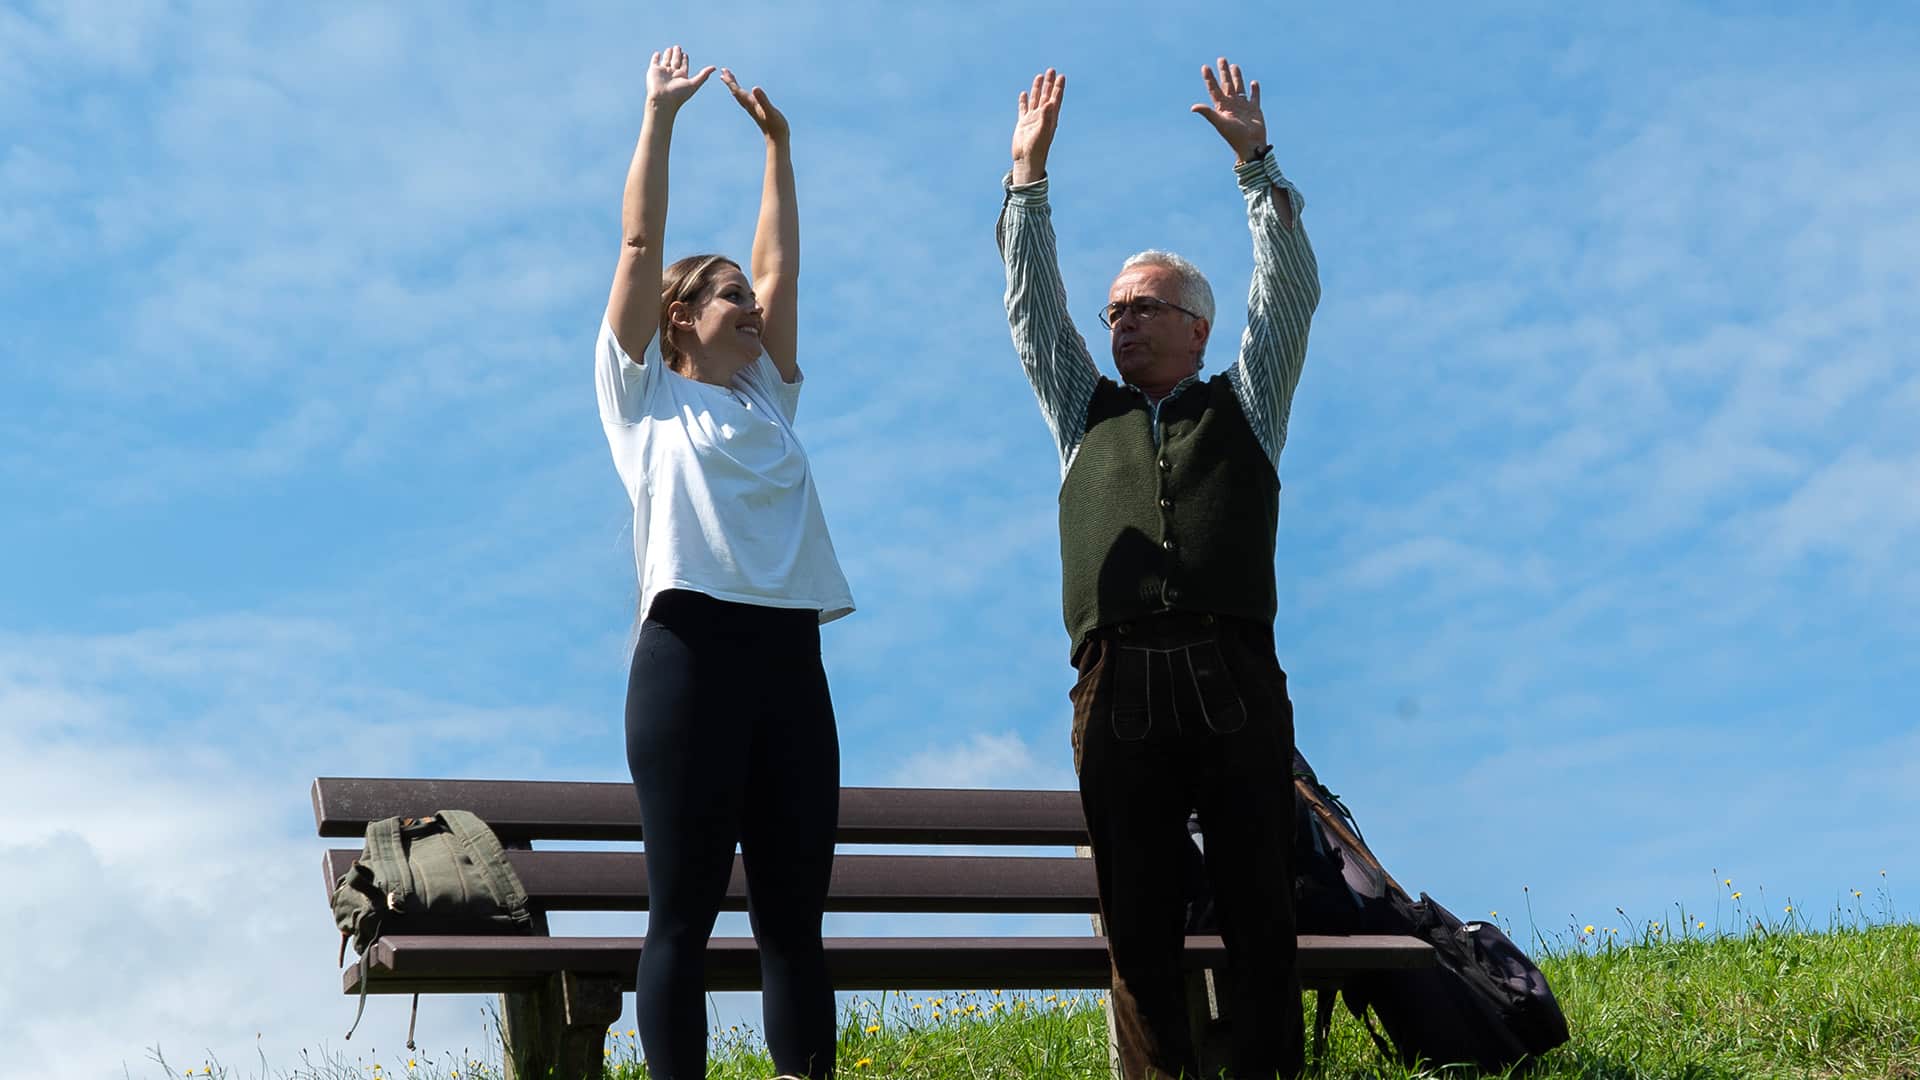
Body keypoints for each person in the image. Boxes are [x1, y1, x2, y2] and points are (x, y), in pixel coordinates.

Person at [996, 58, 1322, 1080]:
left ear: (1197, 328)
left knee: (1261, 909)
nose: (1121, 320)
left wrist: (1257, 168)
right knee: (1136, 923)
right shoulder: (1079, 410)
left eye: (1143, 306)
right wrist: (1026, 180)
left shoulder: (1247, 406)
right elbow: (1030, 311)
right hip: (1117, 683)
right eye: (1115, 311)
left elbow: (1292, 295)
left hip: (1233, 675)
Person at [595, 45, 852, 1080]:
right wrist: (660, 118)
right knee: (685, 914)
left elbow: (782, 265)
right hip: (689, 657)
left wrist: (779, 149)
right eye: (730, 299)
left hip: (790, 662)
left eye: (752, 298)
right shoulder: (644, 397)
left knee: (793, 918)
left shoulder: (764, 397)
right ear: (679, 321)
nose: (753, 307)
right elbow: (639, 239)